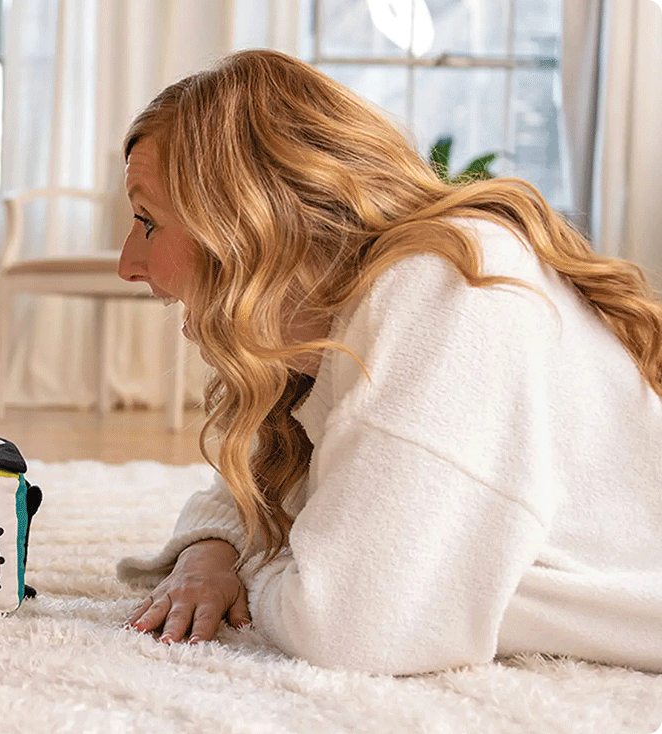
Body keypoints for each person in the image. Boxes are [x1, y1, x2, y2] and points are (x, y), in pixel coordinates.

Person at [114, 49, 662, 675]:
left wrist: (259, 571)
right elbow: (254, 492)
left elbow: (351, 626)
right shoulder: (334, 327)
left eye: (147, 221)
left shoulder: (447, 283)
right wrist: (208, 557)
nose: (128, 264)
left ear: (249, 218)